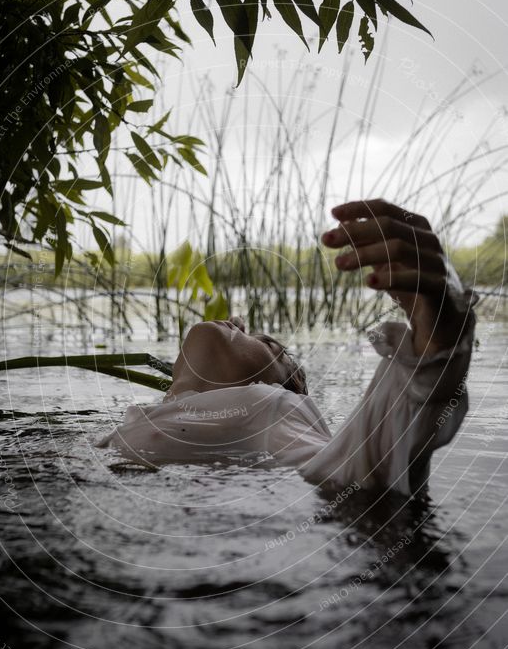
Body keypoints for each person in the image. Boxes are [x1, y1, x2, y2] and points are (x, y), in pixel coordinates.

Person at [97, 200, 477, 498]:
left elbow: (352, 468)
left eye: (266, 343)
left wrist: (437, 341)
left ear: (286, 383)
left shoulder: (271, 405)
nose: (240, 322)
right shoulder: (133, 421)